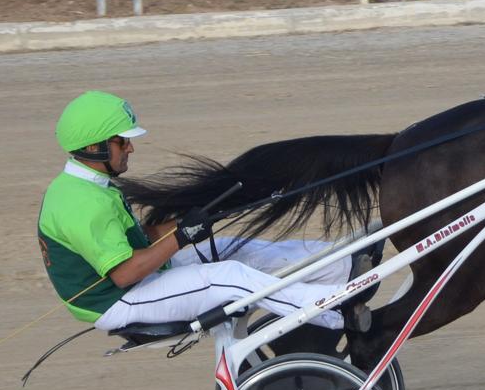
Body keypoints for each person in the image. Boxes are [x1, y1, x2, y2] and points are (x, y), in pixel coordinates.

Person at [37, 90, 372, 337]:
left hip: (136, 281)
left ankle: (340, 264)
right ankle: (333, 311)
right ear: (94, 147)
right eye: (122, 141)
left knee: (236, 248)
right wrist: (183, 236)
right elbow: (125, 273)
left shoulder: (91, 186)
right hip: (119, 302)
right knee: (229, 277)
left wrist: (193, 223)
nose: (131, 148)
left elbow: (139, 240)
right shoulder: (82, 202)